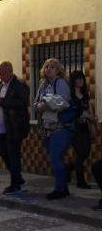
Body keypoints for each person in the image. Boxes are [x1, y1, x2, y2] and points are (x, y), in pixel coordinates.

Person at [34, 58, 75, 200]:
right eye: (47, 67)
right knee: (55, 158)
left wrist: (44, 105)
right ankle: (63, 186)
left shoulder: (61, 82)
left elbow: (62, 102)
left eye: (52, 67)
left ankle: (60, 189)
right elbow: (35, 103)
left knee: (56, 157)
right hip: (46, 128)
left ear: (58, 70)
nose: (49, 69)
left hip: (61, 127)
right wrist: (39, 105)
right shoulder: (43, 85)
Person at [0, 61, 30, 194]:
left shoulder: (20, 84)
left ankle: (15, 183)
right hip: (1, 125)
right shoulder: (2, 84)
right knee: (3, 152)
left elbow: (23, 102)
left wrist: (2, 102)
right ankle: (17, 177)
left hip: (14, 126)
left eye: (3, 73)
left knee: (13, 154)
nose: (0, 76)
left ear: (10, 71)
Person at [67, 70, 96, 189]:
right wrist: (82, 115)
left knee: (86, 152)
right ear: (73, 81)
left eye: (82, 78)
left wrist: (92, 122)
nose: (80, 81)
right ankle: (80, 181)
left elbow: (89, 109)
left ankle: (68, 168)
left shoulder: (84, 94)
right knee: (81, 154)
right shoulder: (70, 96)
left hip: (84, 127)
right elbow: (69, 112)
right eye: (77, 79)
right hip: (74, 128)